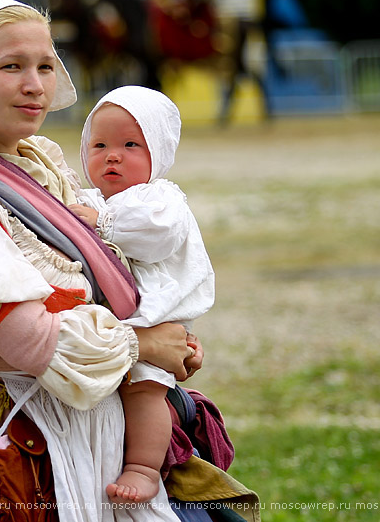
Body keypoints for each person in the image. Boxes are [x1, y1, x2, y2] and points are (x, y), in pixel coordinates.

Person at [0, 0, 202, 522]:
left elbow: (102, 275)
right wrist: (143, 344)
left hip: (87, 415)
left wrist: (170, 342)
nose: (35, 85)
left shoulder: (41, 163)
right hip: (14, 430)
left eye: (46, 65)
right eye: (12, 67)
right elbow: (27, 341)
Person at [68, 86, 215, 503]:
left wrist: (103, 223)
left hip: (156, 314)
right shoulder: (87, 197)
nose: (112, 155)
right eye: (99, 145)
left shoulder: (160, 199)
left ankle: (145, 467)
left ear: (159, 152)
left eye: (130, 145)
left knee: (145, 385)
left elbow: (156, 236)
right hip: (116, 320)